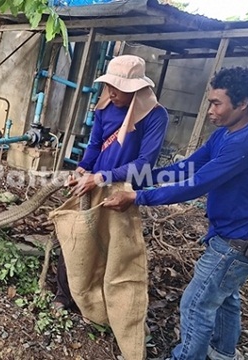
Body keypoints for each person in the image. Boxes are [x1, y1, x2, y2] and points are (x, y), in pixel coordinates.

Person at [103, 66, 248, 360]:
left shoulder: (245, 143)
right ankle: (222, 353)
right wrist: (148, 177)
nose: (210, 110)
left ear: (243, 103)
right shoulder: (226, 134)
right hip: (233, 234)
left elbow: (195, 184)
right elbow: (189, 167)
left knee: (196, 304)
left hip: (236, 241)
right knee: (225, 297)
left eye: (216, 103)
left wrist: (138, 197)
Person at [54, 54, 169, 310]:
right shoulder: (105, 106)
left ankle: (100, 301)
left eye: (118, 88)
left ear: (137, 89)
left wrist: (103, 177)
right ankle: (65, 294)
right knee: (75, 236)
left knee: (111, 248)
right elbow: (95, 145)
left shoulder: (154, 116)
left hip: (122, 191)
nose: (112, 92)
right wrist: (83, 169)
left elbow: (144, 163)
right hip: (93, 182)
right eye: (109, 86)